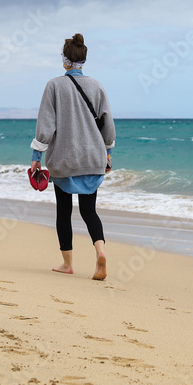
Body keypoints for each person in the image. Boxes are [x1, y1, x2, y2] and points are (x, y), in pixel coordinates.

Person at [30, 33, 116, 280]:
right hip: (93, 158)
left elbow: (46, 126)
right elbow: (107, 125)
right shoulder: (97, 85)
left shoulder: (54, 86)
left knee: (64, 212)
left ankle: (67, 264)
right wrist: (107, 154)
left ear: (65, 60)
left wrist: (37, 154)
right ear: (83, 60)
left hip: (65, 160)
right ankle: (100, 252)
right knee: (90, 211)